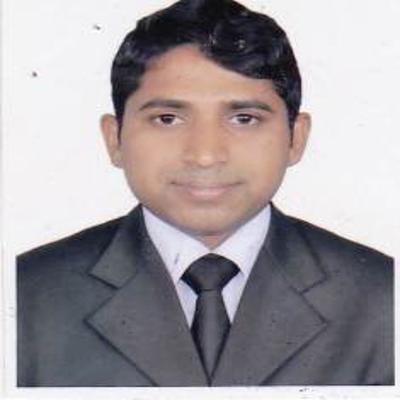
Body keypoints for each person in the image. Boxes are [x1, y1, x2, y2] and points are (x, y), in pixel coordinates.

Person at [17, 0, 393, 387]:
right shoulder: (24, 296)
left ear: (295, 138)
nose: (205, 155)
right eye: (168, 119)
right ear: (115, 139)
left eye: (244, 119)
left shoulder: (382, 296)